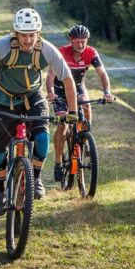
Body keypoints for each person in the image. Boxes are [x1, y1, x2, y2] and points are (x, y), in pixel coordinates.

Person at [0, 8, 78, 215]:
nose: (27, 40)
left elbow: (67, 78)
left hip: (33, 97)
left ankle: (35, 177)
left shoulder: (47, 49)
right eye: (23, 35)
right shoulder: (3, 46)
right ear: (15, 34)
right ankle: (0, 190)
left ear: (38, 33)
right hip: (4, 99)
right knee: (0, 145)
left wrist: (72, 111)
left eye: (32, 34)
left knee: (42, 136)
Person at [46, 24, 114, 183]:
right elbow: (50, 76)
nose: (81, 45)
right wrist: (50, 92)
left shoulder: (91, 52)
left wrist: (107, 92)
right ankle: (58, 162)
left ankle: (85, 138)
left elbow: (102, 73)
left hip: (78, 87)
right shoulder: (61, 52)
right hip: (60, 90)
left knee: (86, 105)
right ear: (71, 40)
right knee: (62, 124)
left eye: (84, 41)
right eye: (77, 42)